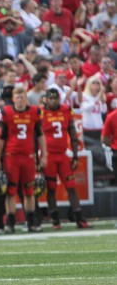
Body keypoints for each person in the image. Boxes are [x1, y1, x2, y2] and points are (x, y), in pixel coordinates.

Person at [0, 87, 48, 233]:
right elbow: (1, 138)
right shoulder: (6, 113)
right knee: (10, 191)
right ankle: (10, 224)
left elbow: (40, 135)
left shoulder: (35, 112)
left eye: (22, 96)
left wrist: (44, 155)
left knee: (29, 191)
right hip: (11, 156)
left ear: (26, 97)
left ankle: (31, 222)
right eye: (17, 96)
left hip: (29, 156)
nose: (19, 99)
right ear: (13, 99)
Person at [41, 88, 92, 229]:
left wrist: (75, 155)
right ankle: (55, 220)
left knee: (71, 187)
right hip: (49, 156)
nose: (53, 101)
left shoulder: (66, 110)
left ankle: (79, 218)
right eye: (50, 98)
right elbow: (35, 136)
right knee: (51, 189)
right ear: (45, 99)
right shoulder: (40, 113)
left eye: (55, 98)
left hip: (63, 156)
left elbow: (73, 133)